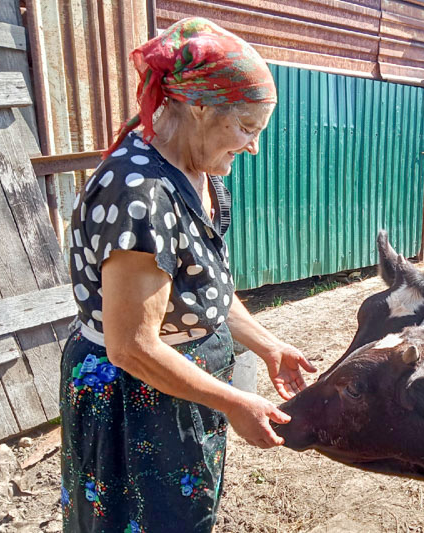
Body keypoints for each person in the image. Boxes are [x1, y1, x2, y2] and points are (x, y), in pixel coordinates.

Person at [60, 17, 316, 532]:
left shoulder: (200, 174)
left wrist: (266, 344)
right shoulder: (140, 193)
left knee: (182, 517)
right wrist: (232, 401)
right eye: (246, 128)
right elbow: (131, 346)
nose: (253, 147)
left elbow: (204, 290)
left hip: (184, 388)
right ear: (198, 107)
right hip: (133, 400)